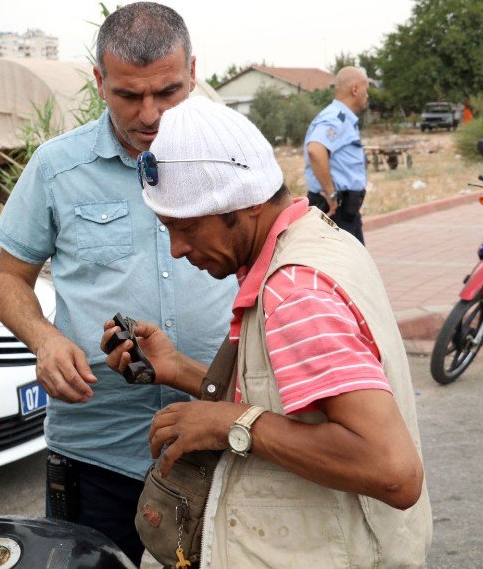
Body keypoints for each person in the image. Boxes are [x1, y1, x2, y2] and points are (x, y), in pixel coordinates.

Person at [105, 96, 431, 567]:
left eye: (188, 227)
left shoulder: (295, 291)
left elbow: (392, 470)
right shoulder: (313, 237)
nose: (177, 248)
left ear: (246, 205)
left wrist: (228, 423)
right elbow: (293, 404)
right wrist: (176, 369)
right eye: (167, 229)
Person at [0, 2, 236, 565]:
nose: (150, 114)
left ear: (193, 73)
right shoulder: (57, 168)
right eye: (129, 95)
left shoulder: (231, 162)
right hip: (97, 453)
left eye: (168, 92)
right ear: (99, 81)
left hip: (219, 434)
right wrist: (44, 339)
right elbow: (8, 278)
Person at [304, 66, 371, 243]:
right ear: (355, 89)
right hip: (335, 209)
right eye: (366, 89)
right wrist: (332, 195)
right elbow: (316, 150)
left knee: (355, 266)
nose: (368, 95)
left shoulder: (344, 119)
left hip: (346, 210)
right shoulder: (336, 118)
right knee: (348, 267)